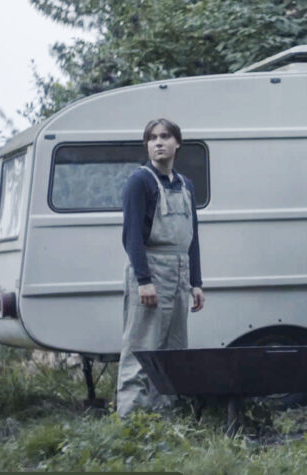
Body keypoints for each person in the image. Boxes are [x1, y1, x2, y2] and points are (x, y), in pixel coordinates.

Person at [117, 118, 205, 417]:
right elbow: (131, 236)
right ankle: (131, 419)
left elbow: (192, 238)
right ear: (147, 145)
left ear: (177, 143)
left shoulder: (185, 185)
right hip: (151, 269)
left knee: (173, 350)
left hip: (180, 271)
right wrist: (144, 280)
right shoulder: (139, 182)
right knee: (142, 346)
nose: (158, 143)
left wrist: (196, 282)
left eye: (165, 136)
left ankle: (166, 417)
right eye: (152, 138)